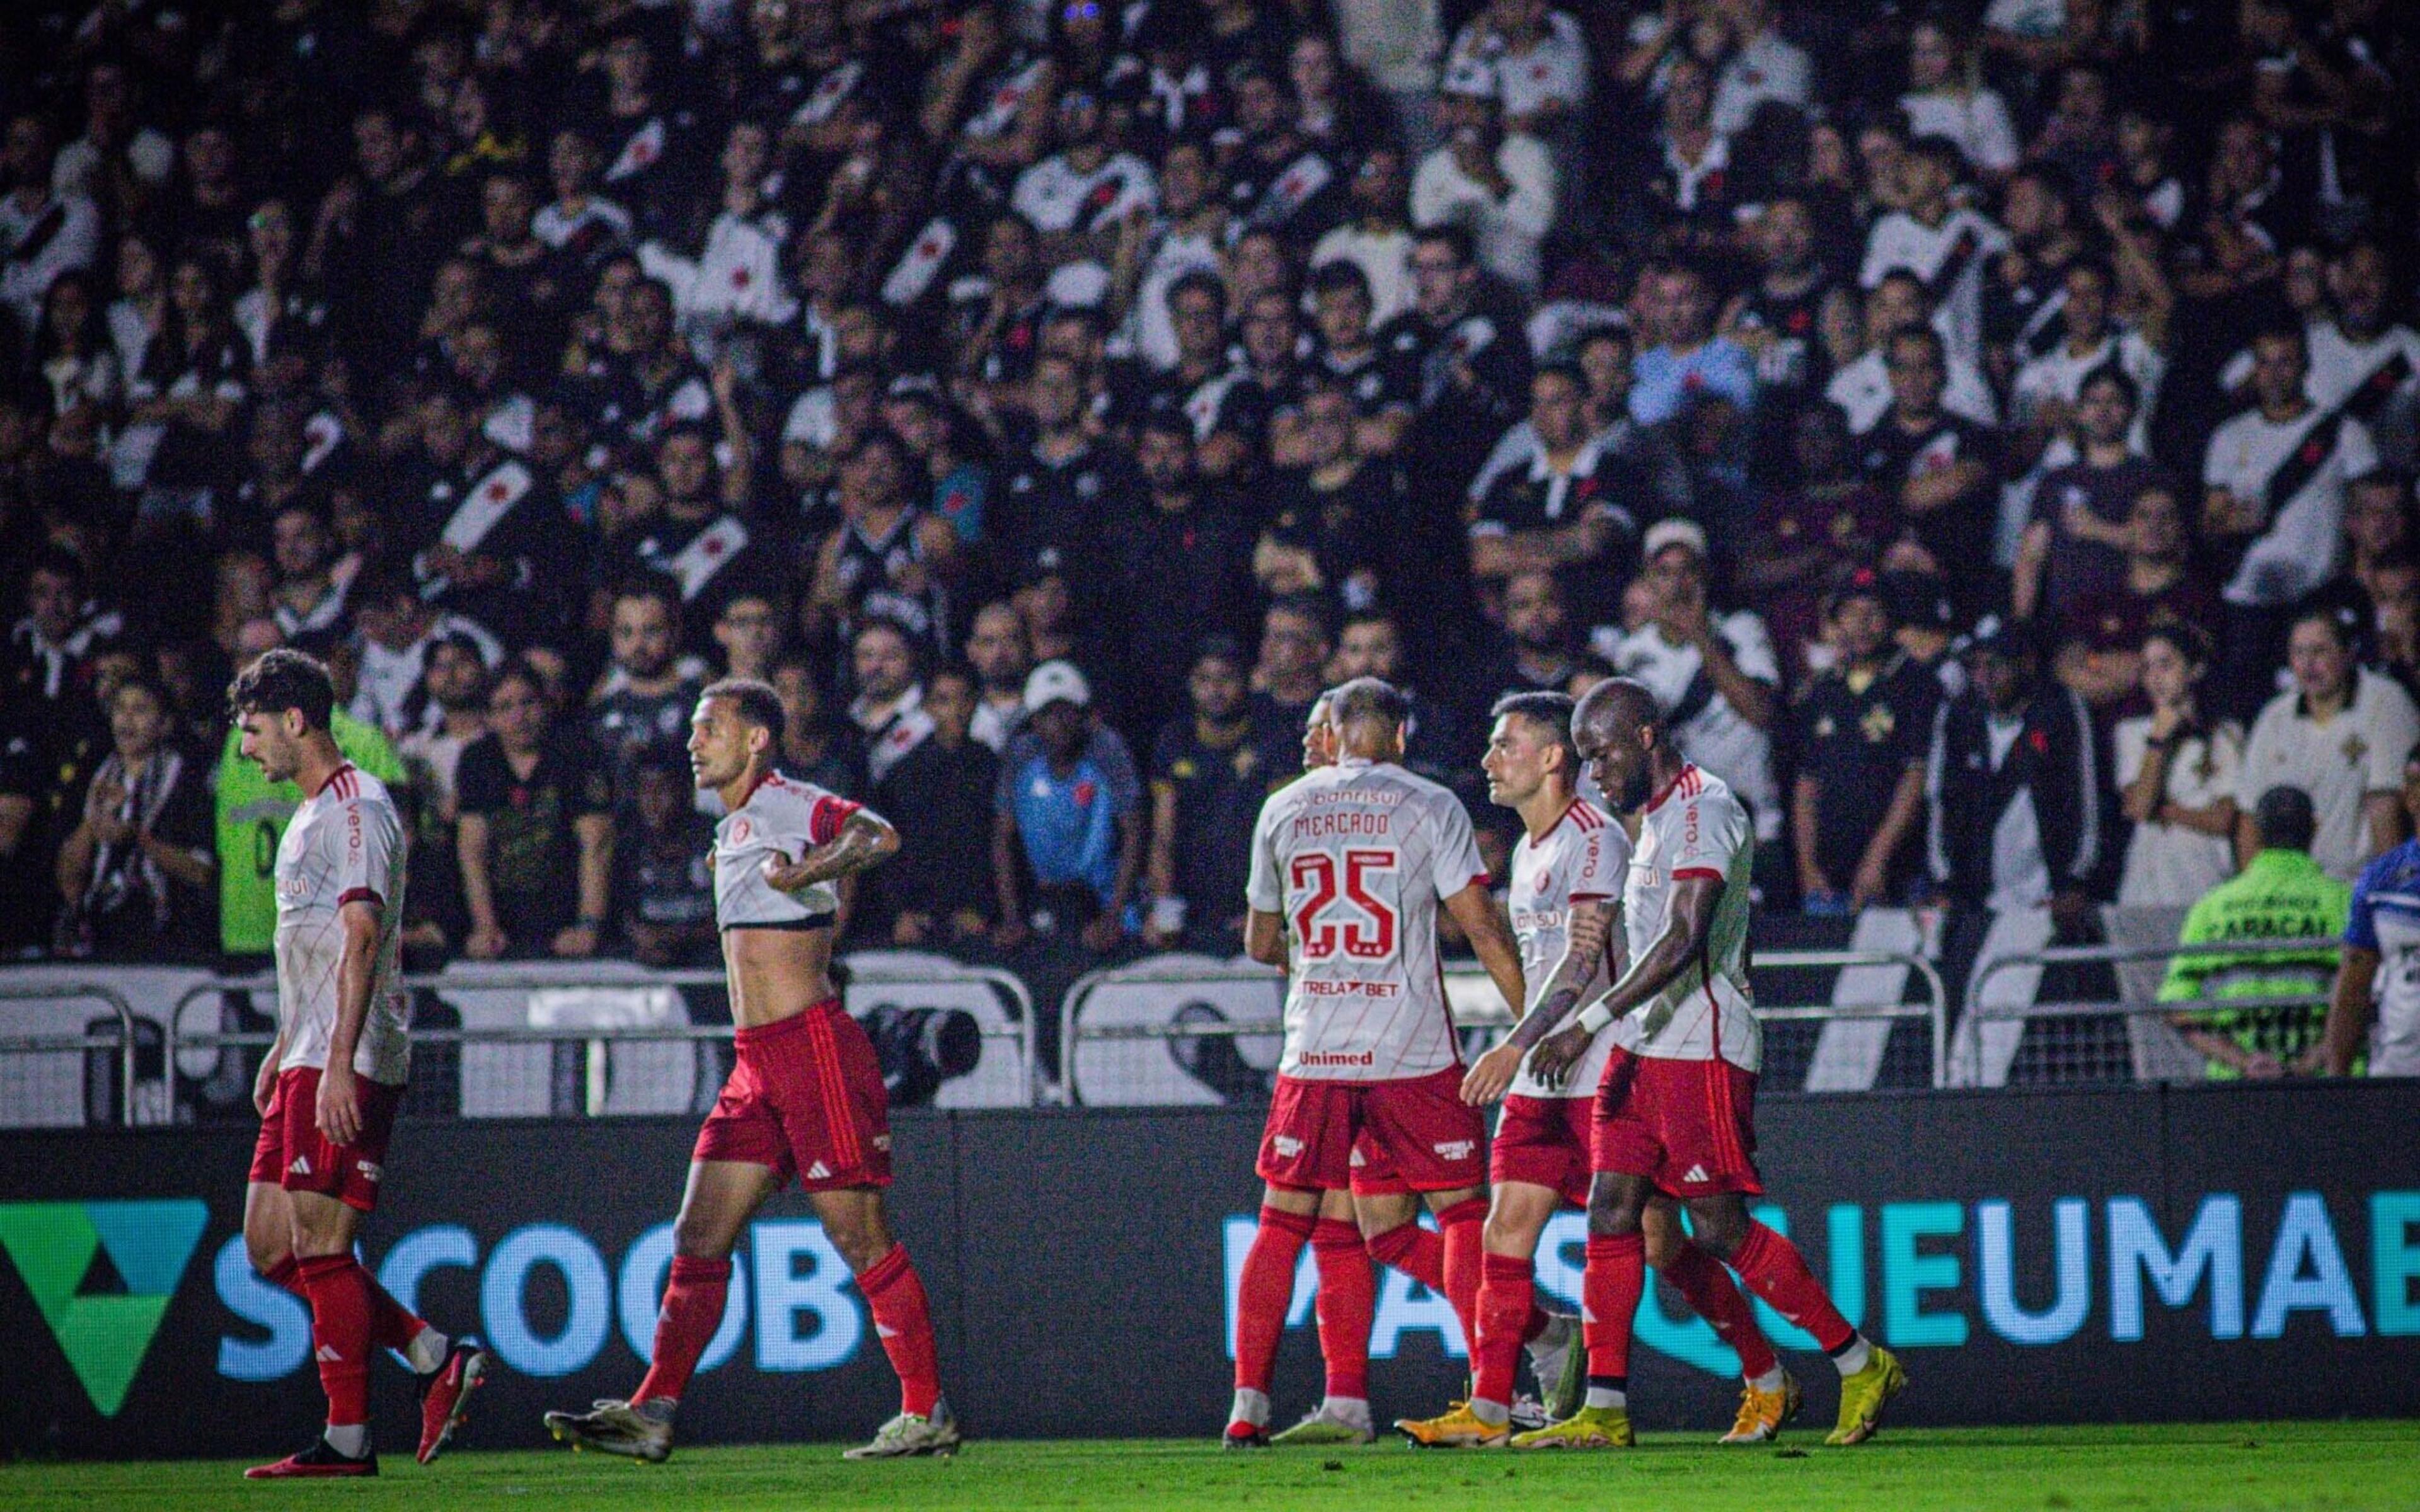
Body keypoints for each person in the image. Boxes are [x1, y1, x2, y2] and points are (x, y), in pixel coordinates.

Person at [1481, 677, 1901, 1450]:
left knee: (1717, 1228)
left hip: (1701, 1046)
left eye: (1602, 754)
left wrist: (1587, 1022)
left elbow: (1682, 939)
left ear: (1646, 735)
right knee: (1613, 1214)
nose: (1596, 772)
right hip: (1643, 1048)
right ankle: (1605, 1410)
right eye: (1582, 758)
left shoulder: (1708, 808)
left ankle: (1857, 1359)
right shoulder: (1653, 818)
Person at [543, 679, 957, 1460]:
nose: (694, 743)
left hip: (814, 1052)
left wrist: (808, 872)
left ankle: (925, 1409)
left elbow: (879, 836)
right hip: (753, 1065)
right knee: (698, 1236)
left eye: (710, 728)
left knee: (860, 1239)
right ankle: (654, 1409)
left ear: (757, 737)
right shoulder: (733, 828)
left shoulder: (789, 803)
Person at [1402, 692, 1789, 1449]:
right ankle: (1488, 1408)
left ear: (1552, 758)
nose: (1488, 761)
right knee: (1502, 1232)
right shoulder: (1526, 850)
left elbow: (1583, 964)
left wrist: (1520, 1040)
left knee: (1664, 1244)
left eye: (1504, 745)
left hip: (1604, 1073)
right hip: (1544, 1074)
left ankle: (1762, 1371)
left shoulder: (1596, 840)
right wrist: (1524, 1050)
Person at [1224, 676, 1527, 1450]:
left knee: (1286, 1220)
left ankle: (1250, 1406)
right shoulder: (1431, 803)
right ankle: (1492, 1393)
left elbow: (1261, 944)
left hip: (1317, 1048)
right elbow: (1483, 931)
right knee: (1460, 1214)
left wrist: (1322, 957)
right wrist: (1535, 1028)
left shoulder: (1283, 807)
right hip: (1411, 1047)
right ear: (1399, 734)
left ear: (1333, 729)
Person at [228, 649, 486, 1478]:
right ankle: (432, 1351)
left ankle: (347, 1440)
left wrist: (337, 1062)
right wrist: (282, 1044)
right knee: (270, 1245)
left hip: (351, 1051)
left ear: (295, 720)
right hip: (306, 1049)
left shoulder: (357, 808)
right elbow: (313, 945)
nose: (246, 748)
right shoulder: (308, 814)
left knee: (323, 1242)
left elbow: (366, 937)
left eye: (254, 727)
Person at [2156, 786, 2347, 1080]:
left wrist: (2246, 1063)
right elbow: (2368, 1000)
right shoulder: (2345, 902)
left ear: (2256, 832)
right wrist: (2304, 1067)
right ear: (2315, 827)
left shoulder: (2212, 906)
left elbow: (2178, 1007)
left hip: (2236, 1092)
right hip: (2330, 1089)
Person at [1924, 618, 2102, 926]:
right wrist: (1945, 884)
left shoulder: (2060, 711)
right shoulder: (1958, 716)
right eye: (1975, 667)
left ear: (2027, 664)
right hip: (1974, 901)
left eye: (1996, 665)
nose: (1985, 677)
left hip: (2045, 901)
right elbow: (1941, 802)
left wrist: (2073, 881)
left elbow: (2084, 799)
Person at [2235, 607, 2420, 885]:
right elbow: (2250, 816)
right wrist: (2256, 890)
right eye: (2299, 653)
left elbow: (2387, 807)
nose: (2308, 664)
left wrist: (2386, 892)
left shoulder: (2386, 702)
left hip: (2355, 886)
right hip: (2290, 894)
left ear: (2347, 653)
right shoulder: (2275, 716)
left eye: (2320, 651)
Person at [1792, 572, 1939, 912]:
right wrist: (1808, 867)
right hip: (1827, 884)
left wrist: (1877, 860)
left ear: (1891, 619)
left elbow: (1915, 777)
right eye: (1851, 613)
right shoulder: (1821, 689)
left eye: (1873, 612)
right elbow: (1806, 781)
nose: (1861, 624)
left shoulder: (1917, 686)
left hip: (1896, 878)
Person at [454, 658, 614, 960]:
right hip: (504, 924)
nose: (519, 717)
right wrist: (485, 927)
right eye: (504, 708)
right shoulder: (477, 761)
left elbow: (596, 843)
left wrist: (589, 925)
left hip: (568, 921)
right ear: (488, 718)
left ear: (546, 705)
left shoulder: (578, 753)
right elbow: (472, 850)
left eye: (528, 703)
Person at [54, 675, 215, 959]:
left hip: (170, 940)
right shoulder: (98, 776)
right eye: (120, 709)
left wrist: (137, 839)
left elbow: (202, 872)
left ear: (164, 724)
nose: (127, 719)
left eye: (140, 710)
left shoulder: (187, 780)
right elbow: (69, 880)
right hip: (101, 936)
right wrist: (93, 823)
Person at [990, 660, 1142, 955]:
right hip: (1045, 896)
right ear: (1034, 720)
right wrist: (1011, 917)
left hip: (1104, 897)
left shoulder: (1106, 749)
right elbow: (1002, 839)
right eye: (1047, 714)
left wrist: (1114, 914)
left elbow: (1133, 832)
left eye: (1067, 712)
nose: (1058, 723)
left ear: (1084, 716)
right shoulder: (1022, 754)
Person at [2113, 624, 2242, 908]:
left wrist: (2168, 810)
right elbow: (2139, 807)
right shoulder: (2132, 732)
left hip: (2204, 883)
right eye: (2147, 668)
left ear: (2194, 669)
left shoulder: (2224, 735)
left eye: (2166, 665)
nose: (2155, 677)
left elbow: (2224, 820)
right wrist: (2159, 737)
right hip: (2145, 889)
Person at [2320, 743, 2420, 1078]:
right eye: (2414, 783)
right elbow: (2353, 987)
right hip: (2400, 1074)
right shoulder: (2382, 880)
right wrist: (2338, 1076)